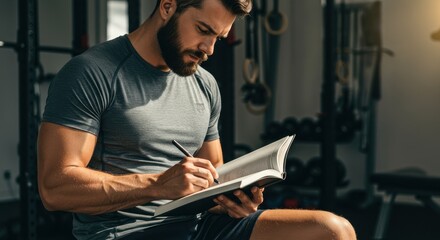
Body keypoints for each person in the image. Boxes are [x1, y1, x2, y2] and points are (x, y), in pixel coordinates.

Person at [37, 0, 357, 239]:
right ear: (167, 6)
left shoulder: (205, 84)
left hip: (201, 227)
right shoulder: (91, 73)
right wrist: (157, 184)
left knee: (332, 230)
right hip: (127, 232)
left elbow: (212, 182)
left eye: (219, 37)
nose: (209, 49)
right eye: (203, 30)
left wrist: (234, 200)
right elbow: (55, 187)